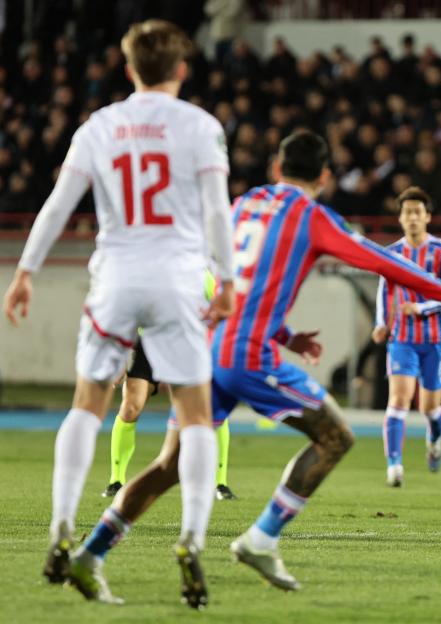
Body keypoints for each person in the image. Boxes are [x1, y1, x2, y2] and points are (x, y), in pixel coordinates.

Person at [66, 129, 441, 599]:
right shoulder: (312, 216)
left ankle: (90, 553)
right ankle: (261, 537)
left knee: (169, 464)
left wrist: (286, 334)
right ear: (325, 176)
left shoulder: (245, 204)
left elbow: (230, 275)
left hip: (207, 350)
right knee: (335, 436)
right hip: (246, 356)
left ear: (274, 168)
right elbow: (379, 261)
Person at [2, 20, 236, 607]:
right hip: (179, 280)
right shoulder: (201, 127)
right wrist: (228, 280)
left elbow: (59, 204)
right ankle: (192, 538)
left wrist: (26, 271)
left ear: (128, 70)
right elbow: (216, 213)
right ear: (181, 70)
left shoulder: (98, 127)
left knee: (87, 405)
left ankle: (61, 526)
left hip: (115, 279)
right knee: (197, 417)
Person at [102, 272, 239, 501]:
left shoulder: (202, 274)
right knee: (130, 408)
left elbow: (223, 310)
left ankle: (220, 483)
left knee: (212, 410)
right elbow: (128, 314)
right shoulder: (147, 272)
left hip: (187, 347)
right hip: (147, 346)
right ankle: (116, 480)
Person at [372, 186, 441, 487]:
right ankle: (394, 465)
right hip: (401, 339)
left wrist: (419, 308)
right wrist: (382, 323)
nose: (413, 217)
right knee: (399, 400)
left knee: (429, 408)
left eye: (418, 212)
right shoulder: (391, 253)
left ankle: (434, 442)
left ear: (427, 216)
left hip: (435, 341)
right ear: (401, 217)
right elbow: (384, 291)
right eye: (408, 212)